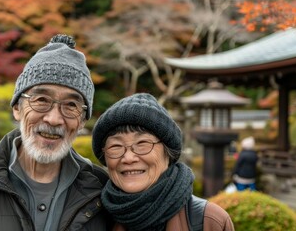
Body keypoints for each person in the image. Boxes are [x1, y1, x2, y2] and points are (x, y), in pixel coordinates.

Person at [0, 34, 112, 230]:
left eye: (71, 105)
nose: (54, 119)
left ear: (82, 120)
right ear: (17, 108)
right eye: (41, 100)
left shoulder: (102, 192)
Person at [91, 93, 235, 231]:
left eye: (142, 143)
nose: (128, 158)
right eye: (115, 146)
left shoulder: (209, 221)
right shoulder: (91, 217)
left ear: (168, 152)